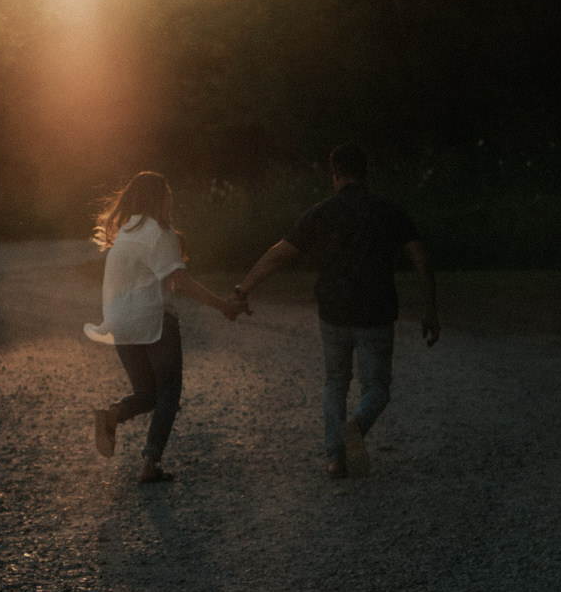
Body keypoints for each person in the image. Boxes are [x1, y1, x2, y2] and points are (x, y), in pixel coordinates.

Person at [233, 143, 438, 478]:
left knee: (335, 382)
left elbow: (278, 255)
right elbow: (421, 259)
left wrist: (243, 289)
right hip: (377, 311)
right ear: (366, 173)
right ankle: (356, 425)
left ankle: (336, 458)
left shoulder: (321, 213)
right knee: (377, 388)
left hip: (333, 311)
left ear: (335, 175)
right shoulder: (389, 211)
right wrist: (431, 310)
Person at [84, 171, 245, 483]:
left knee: (147, 393)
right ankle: (149, 463)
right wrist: (224, 306)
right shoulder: (160, 232)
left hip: (121, 324)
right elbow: (180, 281)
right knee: (168, 393)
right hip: (155, 321)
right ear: (161, 199)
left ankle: (114, 415)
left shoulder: (124, 233)